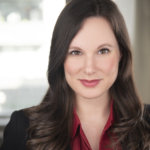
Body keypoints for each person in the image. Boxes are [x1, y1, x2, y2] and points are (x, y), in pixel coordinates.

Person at [1, 0, 150, 150]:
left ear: (121, 54)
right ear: (60, 58)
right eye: (76, 52)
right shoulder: (22, 129)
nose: (89, 68)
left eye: (103, 51)